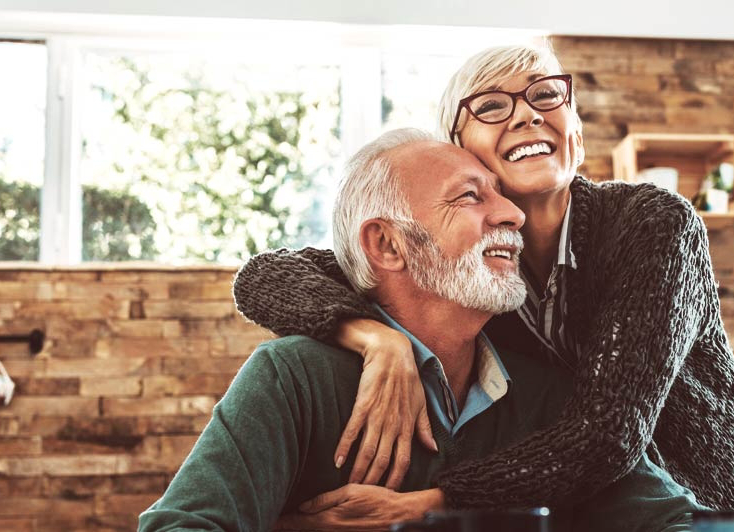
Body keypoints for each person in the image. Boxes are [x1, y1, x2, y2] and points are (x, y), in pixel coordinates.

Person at [231, 43, 734, 518]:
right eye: (490, 106)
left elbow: (607, 433)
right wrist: (376, 338)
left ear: (576, 131)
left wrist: (433, 504)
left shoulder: (653, 224)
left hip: (726, 506)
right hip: (600, 512)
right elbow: (266, 275)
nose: (527, 115)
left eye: (546, 95)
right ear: (459, 152)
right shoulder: (468, 271)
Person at [139, 129, 705, 532]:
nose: (512, 214)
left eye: (501, 194)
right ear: (387, 245)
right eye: (470, 196)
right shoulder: (293, 378)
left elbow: (678, 524)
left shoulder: (549, 395)